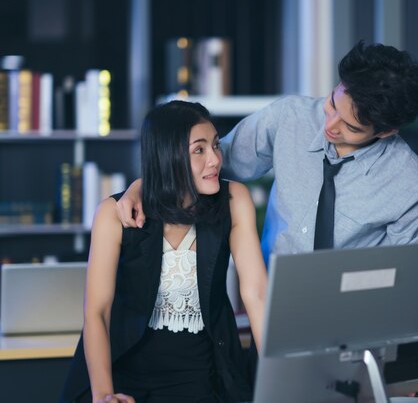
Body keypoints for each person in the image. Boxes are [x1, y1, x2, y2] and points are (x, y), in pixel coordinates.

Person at [116, 42, 418, 401]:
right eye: (333, 103)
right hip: (272, 327)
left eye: (351, 126)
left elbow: (409, 299)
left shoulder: (414, 189)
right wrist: (145, 186)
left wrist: (416, 376)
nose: (330, 124)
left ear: (386, 132)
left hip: (354, 347)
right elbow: (204, 165)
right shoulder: (288, 118)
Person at [60, 101, 267, 403]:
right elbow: (97, 312)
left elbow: (257, 294)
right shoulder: (113, 213)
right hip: (125, 375)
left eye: (215, 146)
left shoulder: (234, 199)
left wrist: (281, 377)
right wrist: (105, 395)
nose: (215, 160)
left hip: (205, 379)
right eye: (199, 150)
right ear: (168, 156)